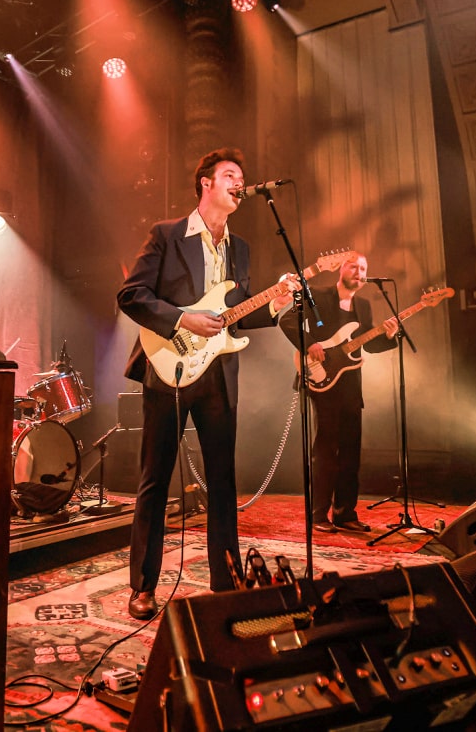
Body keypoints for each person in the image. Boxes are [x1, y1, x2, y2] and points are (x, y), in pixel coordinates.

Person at [117, 148, 295, 620]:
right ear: (206, 183)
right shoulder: (167, 234)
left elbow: (236, 316)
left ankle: (226, 580)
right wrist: (182, 319)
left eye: (242, 177)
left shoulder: (241, 248)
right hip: (168, 365)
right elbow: (131, 295)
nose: (240, 183)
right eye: (231, 175)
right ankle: (142, 586)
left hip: (218, 372)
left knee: (222, 481)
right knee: (155, 479)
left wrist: (276, 302)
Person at [281, 253, 397, 534]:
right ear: (341, 269)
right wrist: (309, 343)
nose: (359, 271)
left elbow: (368, 345)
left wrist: (388, 335)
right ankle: (318, 515)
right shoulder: (316, 295)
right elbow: (288, 321)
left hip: (350, 385)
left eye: (363, 268)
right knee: (325, 450)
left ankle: (345, 513)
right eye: (353, 266)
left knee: (350, 452)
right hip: (322, 379)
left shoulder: (364, 305)